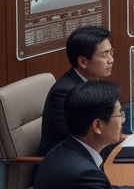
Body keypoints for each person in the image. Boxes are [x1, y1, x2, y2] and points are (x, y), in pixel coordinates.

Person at [40, 25, 116, 156]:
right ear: (83, 62)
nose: (111, 60)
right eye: (104, 55)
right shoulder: (64, 94)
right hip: (66, 166)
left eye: (111, 52)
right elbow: (88, 139)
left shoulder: (95, 81)